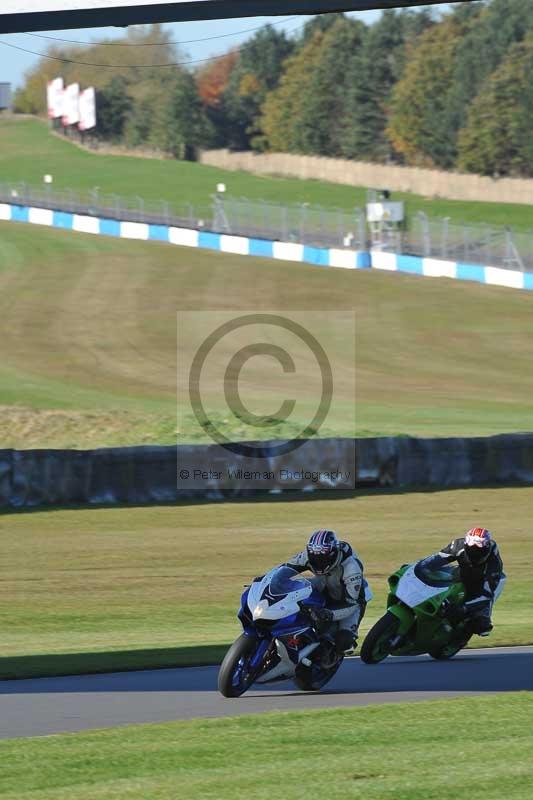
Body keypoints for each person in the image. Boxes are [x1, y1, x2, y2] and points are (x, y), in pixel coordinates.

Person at [282, 529, 371, 655]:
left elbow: (352, 603)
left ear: (332, 554)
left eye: (322, 559)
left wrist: (329, 614)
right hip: (324, 585)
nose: (318, 562)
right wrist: (267, 579)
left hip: (350, 600)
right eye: (315, 558)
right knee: (292, 596)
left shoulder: (351, 568)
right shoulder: (309, 554)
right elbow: (286, 568)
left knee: (344, 642)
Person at [422, 527, 505, 635]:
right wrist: (418, 568)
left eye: (479, 551)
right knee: (438, 576)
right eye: (472, 549)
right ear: (466, 545)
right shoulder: (457, 546)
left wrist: (463, 608)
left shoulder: (493, 565)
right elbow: (435, 560)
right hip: (461, 573)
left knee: (482, 626)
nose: (475, 553)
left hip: (481, 583)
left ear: (487, 548)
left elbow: (486, 595)